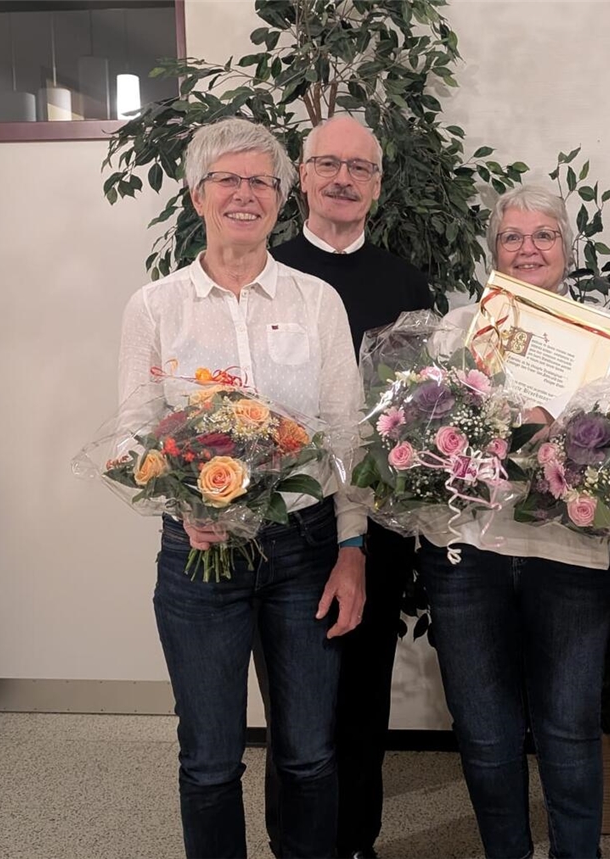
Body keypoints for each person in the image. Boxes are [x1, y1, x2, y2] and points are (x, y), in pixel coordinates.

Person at [117, 117, 366, 859]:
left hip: (304, 549)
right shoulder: (155, 307)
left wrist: (352, 548)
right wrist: (185, 505)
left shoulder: (316, 301)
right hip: (199, 559)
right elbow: (135, 435)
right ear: (197, 194)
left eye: (262, 181)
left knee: (309, 753)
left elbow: (346, 433)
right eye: (228, 177)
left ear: (283, 199)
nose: (245, 193)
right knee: (210, 758)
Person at [417, 184, 610, 859]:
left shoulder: (603, 336)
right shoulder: (457, 329)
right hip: (468, 552)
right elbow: (422, 433)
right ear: (494, 252)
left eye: (543, 235)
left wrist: (560, 427)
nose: (528, 248)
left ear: (566, 249)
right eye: (512, 237)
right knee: (485, 731)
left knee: (569, 727)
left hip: (567, 553)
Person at [259, 115, 433, 859]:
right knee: (294, 706)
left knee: (363, 695)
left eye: (359, 169)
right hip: (285, 523)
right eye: (327, 164)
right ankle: (294, 842)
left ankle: (357, 838)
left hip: (378, 523)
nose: (342, 179)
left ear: (378, 185)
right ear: (301, 175)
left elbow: (429, 411)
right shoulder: (265, 275)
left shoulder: (407, 283)